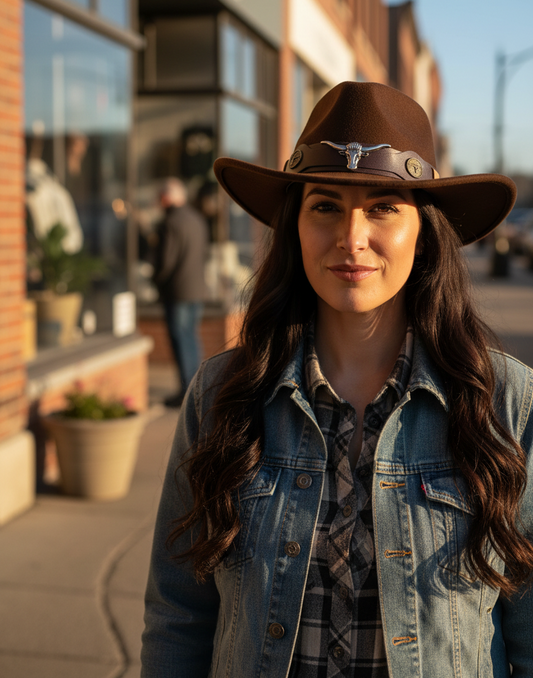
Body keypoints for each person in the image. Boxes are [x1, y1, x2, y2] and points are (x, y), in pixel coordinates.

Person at [141, 82, 533, 677]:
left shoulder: (506, 401)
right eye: (325, 205)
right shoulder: (222, 395)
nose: (352, 238)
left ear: (424, 229)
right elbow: (179, 614)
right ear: (294, 227)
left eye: (383, 207)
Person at [153, 177, 208, 407]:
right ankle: (197, 388)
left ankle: (187, 393)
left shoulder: (171, 222)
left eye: (160, 198)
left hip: (177, 292)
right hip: (197, 289)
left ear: (166, 197)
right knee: (191, 338)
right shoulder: (197, 219)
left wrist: (155, 281)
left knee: (182, 341)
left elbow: (166, 261)